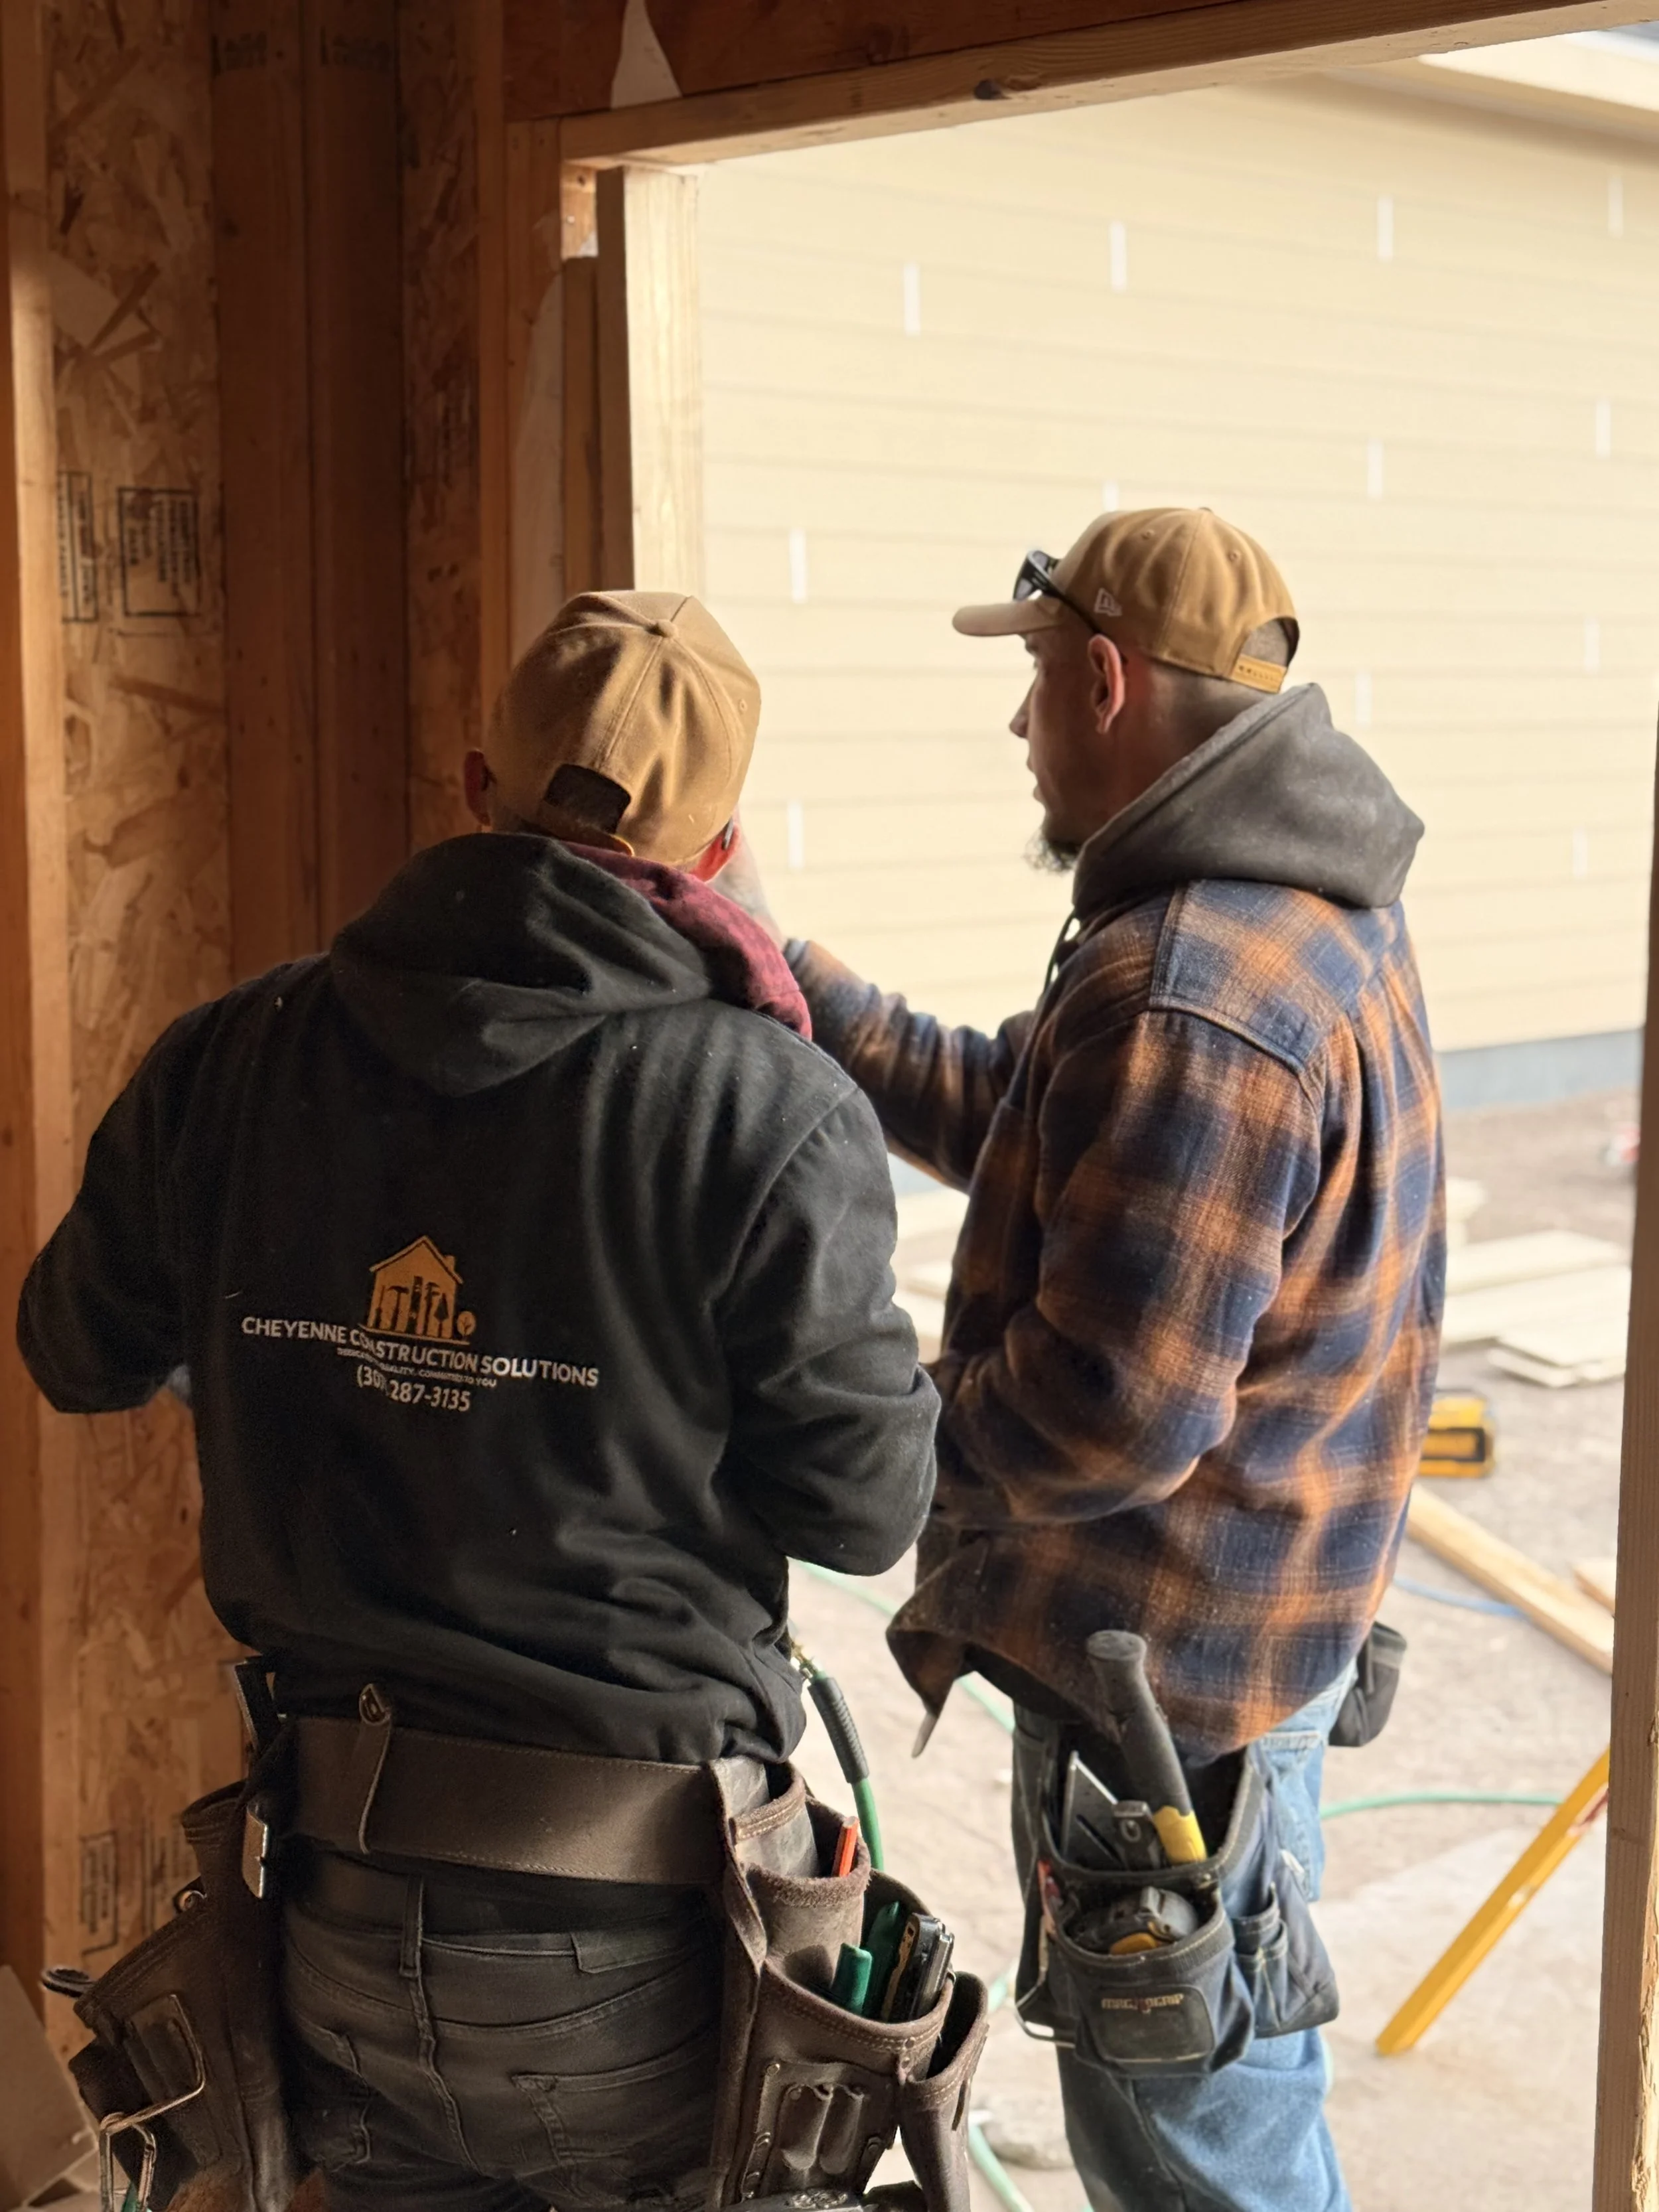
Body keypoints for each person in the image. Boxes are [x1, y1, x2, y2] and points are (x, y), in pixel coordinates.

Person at [17, 591, 938, 2212]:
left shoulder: (235, 1058)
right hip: (642, 1931)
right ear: (720, 849)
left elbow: (77, 1348)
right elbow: (865, 1510)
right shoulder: (763, 1111)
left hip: (334, 1918)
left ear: (471, 783)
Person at [721, 508, 1445, 2212]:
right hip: (1246, 1659)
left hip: (1166, 1700)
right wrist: (777, 963)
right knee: (1221, 2103)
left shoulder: (1190, 992)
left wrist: (857, 1437)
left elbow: (1103, 1412)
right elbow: (1011, 1111)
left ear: (1106, 680)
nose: (1017, 724)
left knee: (1188, 2150)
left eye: (1034, 683)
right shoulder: (1294, 920)